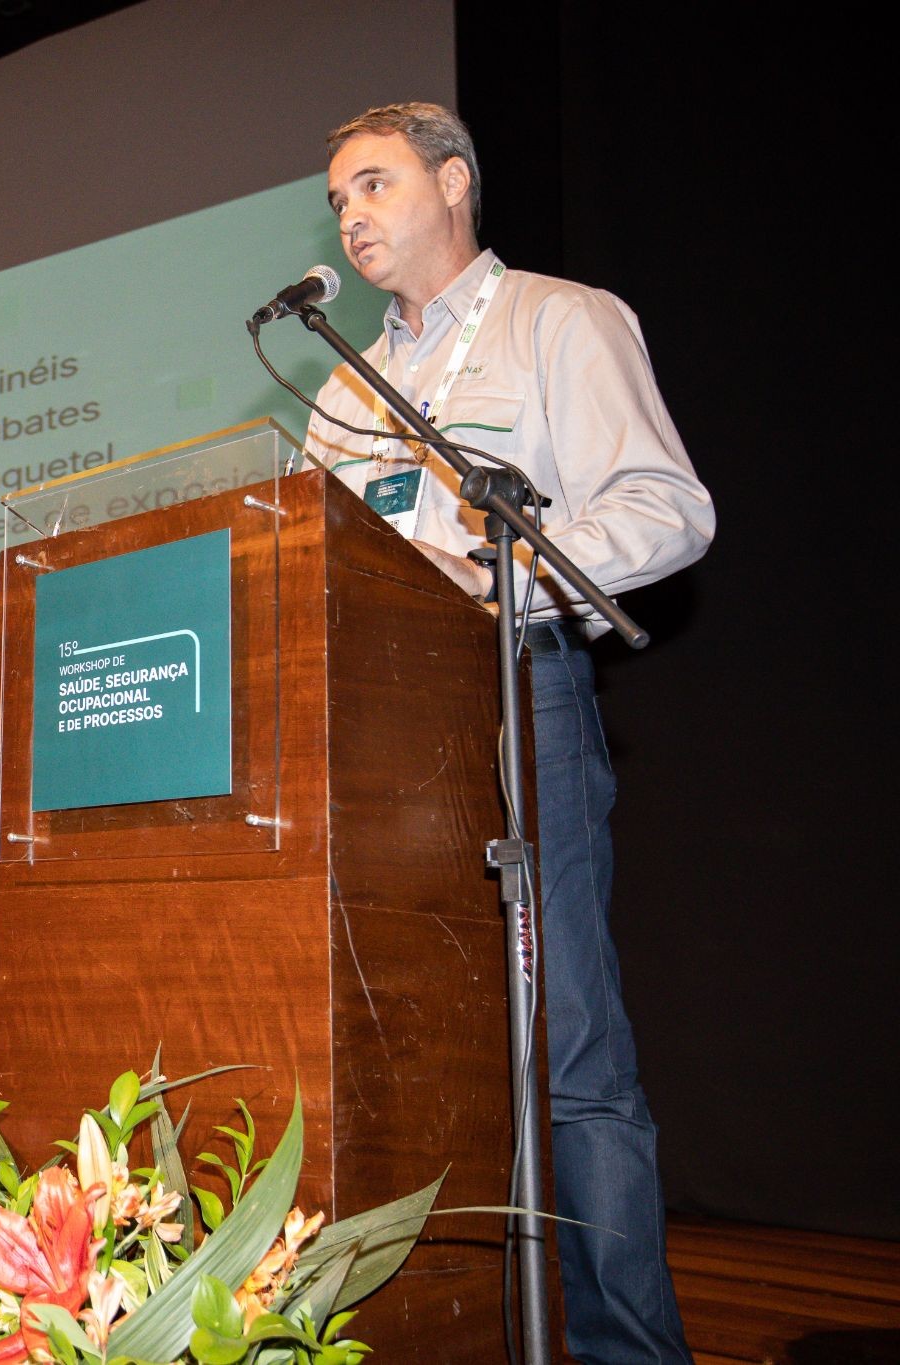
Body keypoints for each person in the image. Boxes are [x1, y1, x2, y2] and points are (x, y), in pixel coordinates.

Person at [303, 103, 712, 1364]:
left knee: (565, 1044)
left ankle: (626, 1349)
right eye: (336, 201)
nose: (350, 215)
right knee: (409, 1041)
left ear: (452, 182)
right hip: (370, 734)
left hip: (513, 696)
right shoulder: (339, 387)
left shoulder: (556, 320)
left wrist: (497, 575)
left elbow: (665, 507)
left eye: (372, 184)